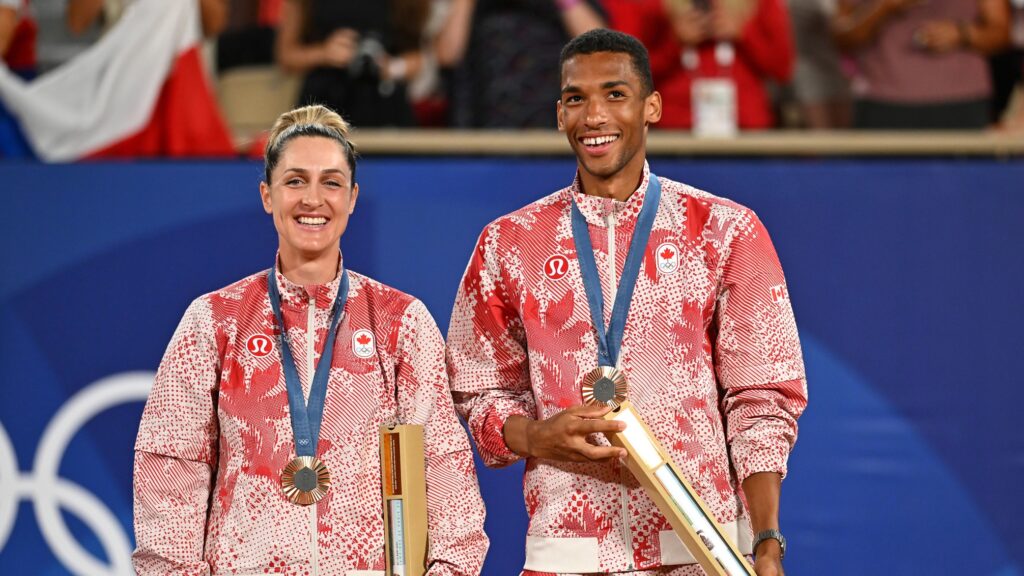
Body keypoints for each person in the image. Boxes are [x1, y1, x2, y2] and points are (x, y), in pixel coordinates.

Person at [447, 29, 807, 575]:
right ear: (559, 114)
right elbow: (477, 392)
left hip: (701, 552)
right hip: (565, 556)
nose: (594, 115)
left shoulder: (725, 230)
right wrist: (540, 436)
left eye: (615, 94)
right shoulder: (508, 242)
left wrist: (766, 541)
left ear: (651, 107)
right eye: (576, 99)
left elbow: (762, 400)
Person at [133, 105, 489, 574]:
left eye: (332, 182)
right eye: (295, 180)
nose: (313, 199)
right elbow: (170, 464)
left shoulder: (401, 321)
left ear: (353, 197)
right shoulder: (214, 320)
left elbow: (442, 464)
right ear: (267, 194)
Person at [605, 0, 794, 130]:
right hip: (673, 134)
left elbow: (782, 69)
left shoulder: (758, 5)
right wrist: (675, 43)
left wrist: (743, 34)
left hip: (747, 131)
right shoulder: (649, 7)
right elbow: (625, 75)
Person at [832, 0, 1010, 129]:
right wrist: (883, 7)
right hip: (883, 101)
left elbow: (1001, 33)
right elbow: (842, 39)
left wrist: (962, 33)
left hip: (962, 101)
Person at [275, 0, 428, 127]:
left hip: (384, 106)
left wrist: (391, 67)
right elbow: (286, 56)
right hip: (323, 105)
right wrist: (324, 53)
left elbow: (418, 59)